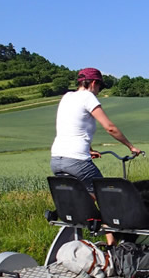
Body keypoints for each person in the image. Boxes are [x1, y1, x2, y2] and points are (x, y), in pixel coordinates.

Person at [51, 67, 142, 245]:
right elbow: (109, 127)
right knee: (106, 198)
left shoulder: (67, 97)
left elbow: (72, 127)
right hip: (76, 160)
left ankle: (87, 230)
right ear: (94, 83)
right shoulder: (88, 97)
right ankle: (112, 247)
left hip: (56, 159)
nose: (99, 91)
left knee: (82, 196)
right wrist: (131, 146)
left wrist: (89, 149)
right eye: (100, 87)